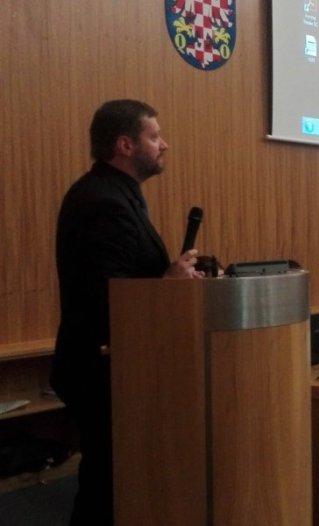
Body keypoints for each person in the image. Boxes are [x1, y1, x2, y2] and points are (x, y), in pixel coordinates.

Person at [52, 100, 203, 526]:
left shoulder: (116, 194)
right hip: (101, 368)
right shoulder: (103, 201)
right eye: (154, 137)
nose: (164, 144)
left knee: (116, 481)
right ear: (125, 145)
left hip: (118, 365)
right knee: (106, 487)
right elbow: (108, 297)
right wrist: (168, 283)